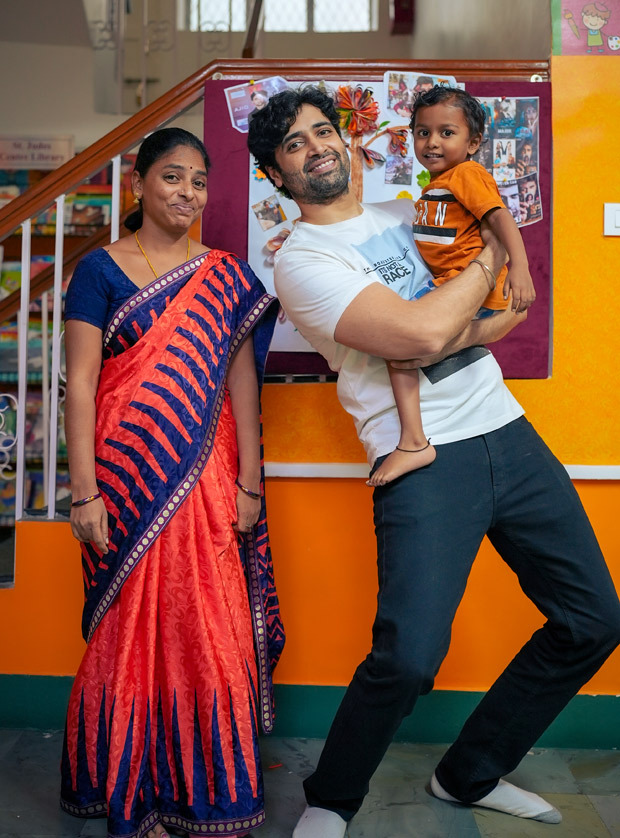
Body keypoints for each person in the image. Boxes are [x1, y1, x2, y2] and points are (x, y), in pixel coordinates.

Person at [247, 86, 620, 838]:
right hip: (420, 460)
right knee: (411, 658)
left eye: (325, 131)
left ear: (349, 143)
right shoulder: (301, 262)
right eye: (294, 143)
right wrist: (484, 263)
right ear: (276, 175)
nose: (317, 146)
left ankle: (469, 773)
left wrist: (446, 317)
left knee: (593, 620)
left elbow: (506, 315)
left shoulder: (402, 216)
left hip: (508, 433)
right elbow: (419, 336)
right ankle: (332, 798)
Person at [60, 127, 284, 838]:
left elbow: (241, 383)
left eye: (197, 181)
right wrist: (84, 490)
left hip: (208, 479)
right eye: (171, 178)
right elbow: (82, 384)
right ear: (139, 183)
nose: (186, 193)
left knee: (206, 629)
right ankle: (133, 795)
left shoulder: (226, 275)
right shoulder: (98, 271)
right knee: (127, 632)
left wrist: (251, 480)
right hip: (124, 482)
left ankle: (203, 794)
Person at [370, 85, 536, 486]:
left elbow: (500, 219)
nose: (432, 142)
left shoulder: (467, 174)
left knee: (399, 347)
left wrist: (521, 268)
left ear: (474, 142)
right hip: (450, 284)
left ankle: (413, 441)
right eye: (423, 132)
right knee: (408, 345)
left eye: (447, 133)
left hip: (464, 287)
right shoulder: (438, 182)